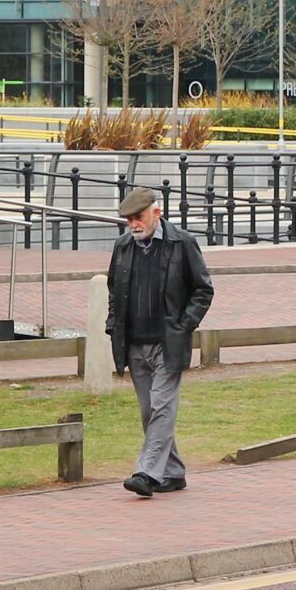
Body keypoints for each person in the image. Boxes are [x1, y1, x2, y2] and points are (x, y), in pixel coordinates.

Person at [107, 187, 214, 498]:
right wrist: (113, 325)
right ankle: (173, 471)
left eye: (138, 218)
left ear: (157, 212)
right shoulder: (124, 246)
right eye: (128, 221)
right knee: (149, 411)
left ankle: (146, 472)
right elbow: (114, 290)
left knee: (161, 409)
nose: (133, 225)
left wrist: (183, 326)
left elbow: (203, 290)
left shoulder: (182, 243)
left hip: (168, 343)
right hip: (134, 344)